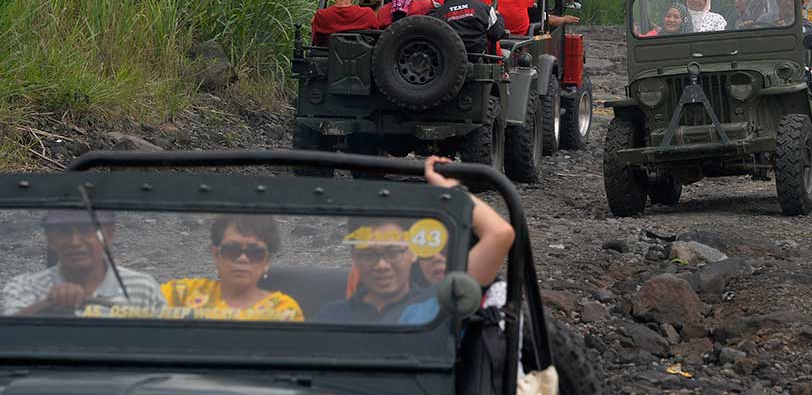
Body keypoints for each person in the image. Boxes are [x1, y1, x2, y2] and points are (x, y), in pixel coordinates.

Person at [315, 156, 515, 324]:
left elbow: (500, 234)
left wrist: (451, 192)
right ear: (354, 257)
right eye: (369, 254)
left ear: (412, 253)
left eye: (393, 252)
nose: (381, 265)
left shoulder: (442, 300)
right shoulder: (331, 315)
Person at [2, 210, 165, 316]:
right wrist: (48, 305)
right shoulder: (25, 286)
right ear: (50, 239)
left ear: (108, 235)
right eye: (63, 232)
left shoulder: (143, 287)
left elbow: (165, 344)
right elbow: (8, 338)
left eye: (86, 229)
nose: (75, 242)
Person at [162, 215, 303, 321]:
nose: (243, 259)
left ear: (267, 262)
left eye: (255, 253)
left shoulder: (283, 311)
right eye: (232, 250)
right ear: (216, 255)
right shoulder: (180, 294)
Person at [429, 0, 506, 56]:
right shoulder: (483, 9)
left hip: (447, 64)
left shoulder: (438, 14)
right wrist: (497, 17)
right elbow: (497, 33)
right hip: (478, 62)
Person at [311, 0, 378, 45]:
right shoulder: (367, 14)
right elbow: (376, 37)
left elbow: (316, 40)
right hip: (360, 54)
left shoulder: (322, 16)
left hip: (328, 54)